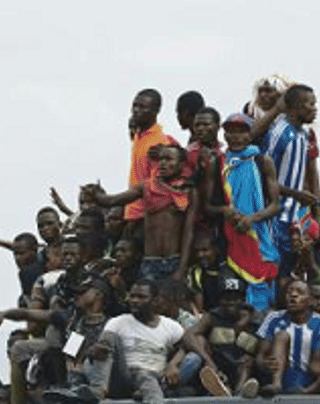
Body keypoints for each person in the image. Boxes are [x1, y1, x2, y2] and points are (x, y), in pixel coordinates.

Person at [85, 278, 204, 404]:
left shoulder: (169, 325)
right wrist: (94, 351)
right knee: (107, 342)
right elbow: (101, 352)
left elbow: (189, 343)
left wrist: (173, 364)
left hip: (156, 379)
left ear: (154, 300)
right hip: (124, 377)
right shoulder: (118, 322)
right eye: (132, 296)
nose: (135, 301)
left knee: (193, 359)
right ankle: (97, 393)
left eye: (141, 297)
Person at [204, 112, 281, 311]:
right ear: (225, 136)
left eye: (241, 132)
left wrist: (252, 218)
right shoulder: (217, 163)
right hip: (230, 240)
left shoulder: (262, 161)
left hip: (259, 238)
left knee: (262, 292)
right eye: (231, 132)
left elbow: (275, 205)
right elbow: (206, 206)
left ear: (250, 136)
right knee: (232, 296)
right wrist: (225, 210)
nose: (236, 137)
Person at [85, 144, 195, 282]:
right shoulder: (147, 186)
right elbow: (114, 200)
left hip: (174, 260)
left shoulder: (188, 191)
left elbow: (188, 233)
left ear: (181, 164)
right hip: (150, 261)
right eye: (160, 159)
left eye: (168, 159)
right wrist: (96, 195)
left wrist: (182, 267)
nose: (162, 163)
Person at [262, 84, 318, 259]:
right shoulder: (279, 133)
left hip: (292, 219)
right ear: (294, 106)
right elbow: (264, 178)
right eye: (310, 104)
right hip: (274, 217)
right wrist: (297, 194)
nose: (315, 109)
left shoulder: (303, 134)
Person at [256, 279, 320, 394]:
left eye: (299, 292)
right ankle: (276, 385)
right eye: (289, 292)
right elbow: (260, 357)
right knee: (282, 335)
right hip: (279, 374)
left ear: (310, 300)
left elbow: (315, 363)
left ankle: (307, 391)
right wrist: (266, 364)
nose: (293, 295)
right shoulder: (274, 318)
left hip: (306, 379)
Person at [124, 89, 175, 226]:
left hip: (145, 219)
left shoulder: (158, 143)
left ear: (156, 111)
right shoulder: (139, 136)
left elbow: (156, 189)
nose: (136, 110)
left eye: (142, 107)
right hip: (132, 213)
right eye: (134, 106)